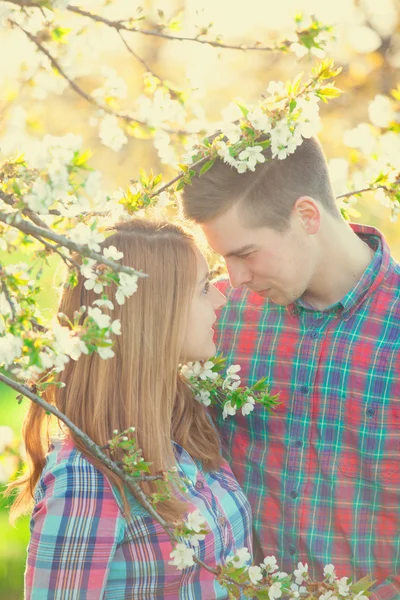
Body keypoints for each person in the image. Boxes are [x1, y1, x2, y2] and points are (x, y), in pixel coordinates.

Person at [180, 136, 400, 600]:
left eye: (244, 253)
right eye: (223, 259)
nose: (234, 277)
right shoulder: (217, 314)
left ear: (306, 216)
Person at [8, 218, 253, 599]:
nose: (221, 298)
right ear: (155, 313)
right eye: (203, 289)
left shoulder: (185, 428)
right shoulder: (87, 479)